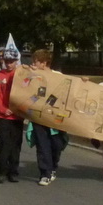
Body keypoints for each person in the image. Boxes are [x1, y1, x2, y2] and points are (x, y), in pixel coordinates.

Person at [27, 50, 68, 186]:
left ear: (44, 63)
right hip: (39, 116)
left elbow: (65, 92)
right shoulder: (33, 75)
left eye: (35, 62)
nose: (33, 64)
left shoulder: (58, 76)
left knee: (57, 144)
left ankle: (53, 166)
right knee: (42, 144)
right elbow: (26, 90)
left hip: (55, 116)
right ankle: (45, 173)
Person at [0, 48, 23, 183]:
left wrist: (18, 109)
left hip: (17, 116)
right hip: (3, 117)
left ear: (16, 61)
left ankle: (13, 171)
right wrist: (3, 109)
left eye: (12, 61)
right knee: (4, 143)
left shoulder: (20, 75)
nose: (9, 64)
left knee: (16, 145)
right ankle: (2, 170)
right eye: (7, 61)